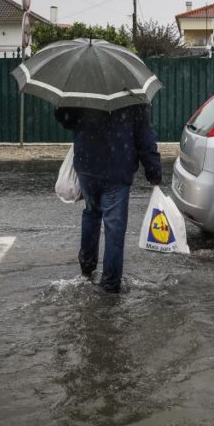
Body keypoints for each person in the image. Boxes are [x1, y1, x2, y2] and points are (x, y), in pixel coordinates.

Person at [55, 104, 162, 293]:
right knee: (114, 228)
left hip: (87, 165)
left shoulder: (83, 92)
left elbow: (67, 121)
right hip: (117, 169)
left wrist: (66, 109)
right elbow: (145, 138)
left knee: (91, 213)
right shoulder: (134, 97)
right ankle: (110, 283)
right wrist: (153, 171)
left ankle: (87, 266)